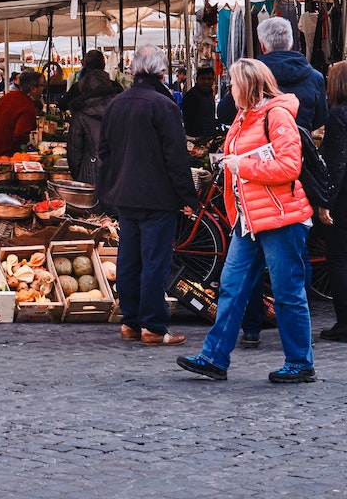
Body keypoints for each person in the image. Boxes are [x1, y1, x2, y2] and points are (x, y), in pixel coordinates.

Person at [177, 58, 316, 383]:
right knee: (231, 287)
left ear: (250, 86)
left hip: (280, 219)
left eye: (234, 84)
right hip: (248, 219)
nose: (229, 90)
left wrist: (242, 166)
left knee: (287, 292)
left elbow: (288, 167)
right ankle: (214, 357)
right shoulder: (244, 117)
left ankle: (300, 362)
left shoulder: (276, 114)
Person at [97, 45, 197, 346]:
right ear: (162, 71)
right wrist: (189, 198)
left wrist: (113, 185)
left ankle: (130, 321)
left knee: (129, 257)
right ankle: (152, 326)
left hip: (125, 194)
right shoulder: (163, 105)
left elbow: (104, 152)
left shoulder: (116, 104)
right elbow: (176, 158)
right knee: (154, 260)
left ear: (134, 69)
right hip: (156, 196)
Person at [216, 16, 328, 132]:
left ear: (263, 46)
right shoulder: (315, 77)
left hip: (258, 146)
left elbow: (225, 114)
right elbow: (320, 118)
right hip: (300, 145)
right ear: (291, 43)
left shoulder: (250, 76)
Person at [315, 61, 347, 341]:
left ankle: (344, 323)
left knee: (338, 258)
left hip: (344, 198)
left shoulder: (338, 115)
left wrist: (326, 201)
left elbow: (336, 163)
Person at [66, 51, 118, 187]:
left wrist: (79, 176)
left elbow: (74, 153)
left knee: (92, 207)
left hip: (90, 174)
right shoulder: (121, 107)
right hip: (118, 173)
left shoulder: (81, 115)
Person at [0, 70, 44, 157]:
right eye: (42, 85)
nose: (44, 88)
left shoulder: (8, 96)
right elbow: (21, 134)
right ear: (33, 88)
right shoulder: (27, 105)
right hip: (6, 155)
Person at [62, 49, 119, 116]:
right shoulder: (115, 87)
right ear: (103, 64)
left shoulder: (77, 88)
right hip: (110, 125)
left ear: (85, 65)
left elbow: (62, 105)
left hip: (83, 125)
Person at [181, 65, 219, 141]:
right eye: (203, 78)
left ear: (213, 80)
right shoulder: (191, 96)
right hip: (196, 140)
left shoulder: (209, 93)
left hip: (209, 138)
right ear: (197, 79)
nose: (206, 82)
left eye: (209, 79)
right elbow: (189, 121)